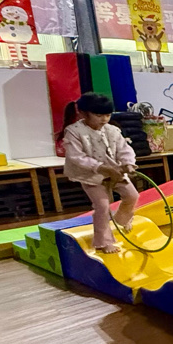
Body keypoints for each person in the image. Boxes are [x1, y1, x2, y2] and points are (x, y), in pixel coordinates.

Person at [61, 92, 138, 254]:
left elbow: (124, 149)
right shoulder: (74, 131)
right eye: (98, 115)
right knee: (102, 206)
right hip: (90, 175)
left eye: (107, 115)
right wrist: (101, 167)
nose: (104, 119)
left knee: (132, 196)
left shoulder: (112, 130)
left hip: (115, 171)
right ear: (83, 113)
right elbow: (76, 157)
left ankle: (120, 221)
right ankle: (104, 241)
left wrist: (128, 163)